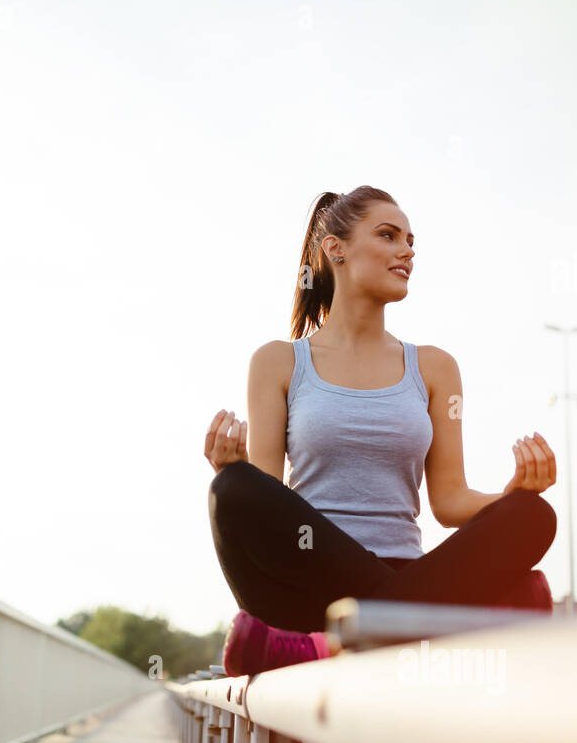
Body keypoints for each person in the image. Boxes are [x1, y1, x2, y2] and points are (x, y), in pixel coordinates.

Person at [205, 186, 558, 677]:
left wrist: (508, 496)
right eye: (389, 236)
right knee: (232, 489)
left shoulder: (435, 367)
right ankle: (426, 627)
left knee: (532, 515)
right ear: (336, 249)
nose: (406, 251)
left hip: (408, 573)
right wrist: (232, 466)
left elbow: (450, 501)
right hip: (308, 585)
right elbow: (265, 496)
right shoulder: (278, 361)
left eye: (411, 241)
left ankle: (332, 643)